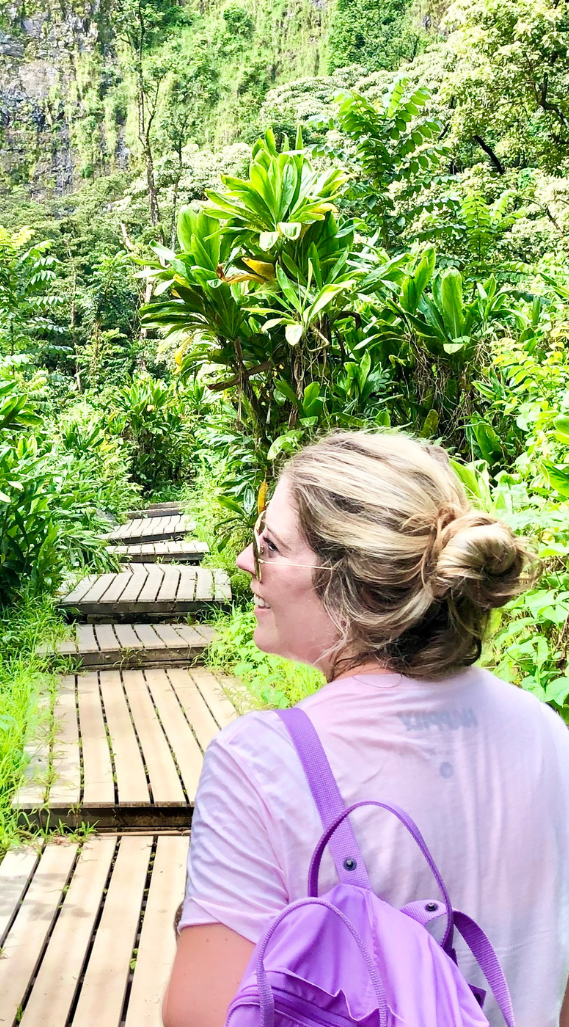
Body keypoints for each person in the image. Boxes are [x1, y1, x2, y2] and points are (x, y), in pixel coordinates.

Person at [161, 430, 569, 1027]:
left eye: (269, 544)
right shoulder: (544, 732)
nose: (248, 562)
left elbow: (201, 1013)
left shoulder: (261, 761)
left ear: (351, 579)